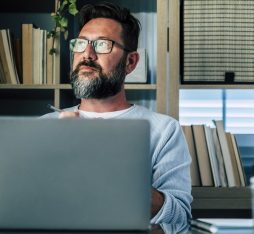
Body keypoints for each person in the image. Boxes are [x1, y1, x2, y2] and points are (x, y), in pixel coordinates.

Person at [41, 2, 192, 225]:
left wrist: (105, 165)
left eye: (103, 44)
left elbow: (179, 219)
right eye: (81, 44)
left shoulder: (163, 130)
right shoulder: (44, 128)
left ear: (130, 62)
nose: (87, 54)